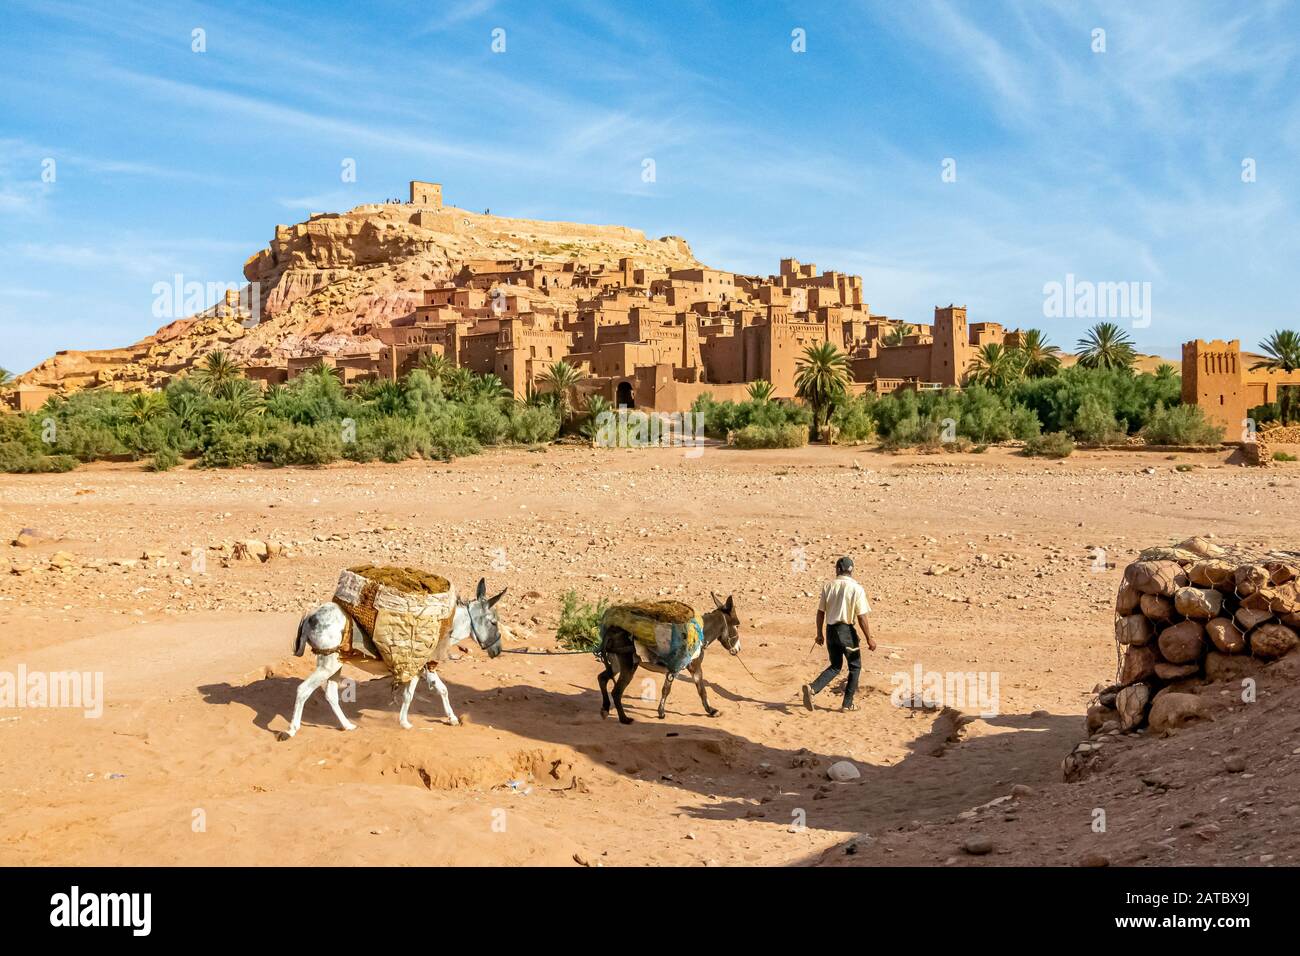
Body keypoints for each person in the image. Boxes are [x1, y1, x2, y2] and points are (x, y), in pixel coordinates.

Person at [802, 556, 875, 712]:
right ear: (852, 571)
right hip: (846, 632)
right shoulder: (856, 588)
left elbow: (820, 612)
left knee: (835, 666)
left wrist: (819, 633)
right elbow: (861, 617)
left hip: (830, 631)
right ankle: (847, 704)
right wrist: (869, 638)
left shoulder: (828, 586)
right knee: (855, 667)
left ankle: (812, 688)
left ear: (837, 569)